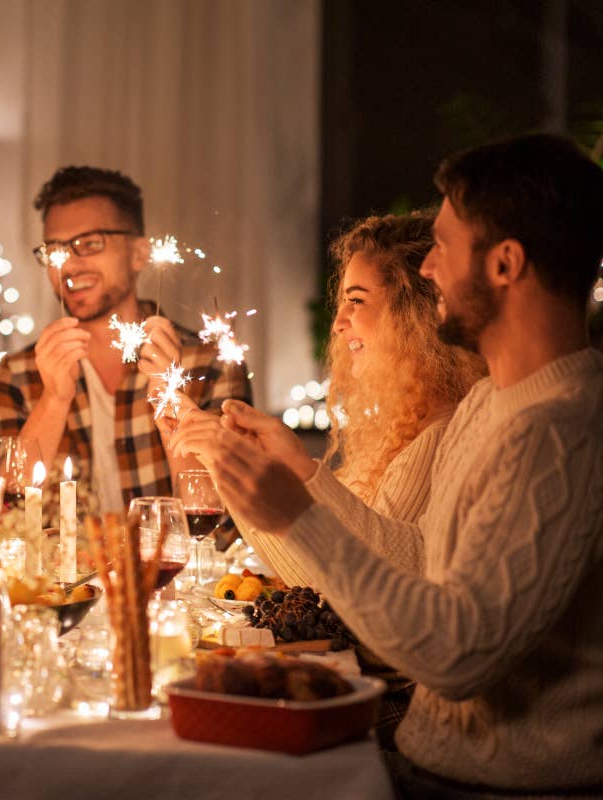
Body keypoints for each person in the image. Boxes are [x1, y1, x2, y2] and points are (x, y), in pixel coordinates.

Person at [197, 134, 603, 795]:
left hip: (501, 789)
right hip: (420, 758)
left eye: (443, 246)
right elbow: (415, 563)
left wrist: (301, 514)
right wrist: (285, 488)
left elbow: (457, 653)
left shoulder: (561, 430)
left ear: (505, 263)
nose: (431, 270)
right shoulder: (493, 405)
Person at [172, 210, 485, 587]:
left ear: (412, 316)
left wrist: (288, 467)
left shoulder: (436, 438)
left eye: (356, 300)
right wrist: (227, 465)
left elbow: (353, 587)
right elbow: (314, 574)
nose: (338, 322)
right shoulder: (394, 433)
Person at [0, 166, 251, 511]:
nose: (69, 266)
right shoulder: (14, 374)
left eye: (90, 244)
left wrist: (171, 398)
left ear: (139, 254)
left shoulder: (209, 363)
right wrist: (54, 399)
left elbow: (225, 527)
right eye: (55, 250)